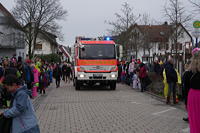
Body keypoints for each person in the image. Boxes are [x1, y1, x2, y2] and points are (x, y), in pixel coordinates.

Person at [186, 49, 200, 133]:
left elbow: (186, 86)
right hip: (194, 96)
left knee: (195, 120)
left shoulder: (190, 72)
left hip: (193, 96)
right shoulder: (191, 73)